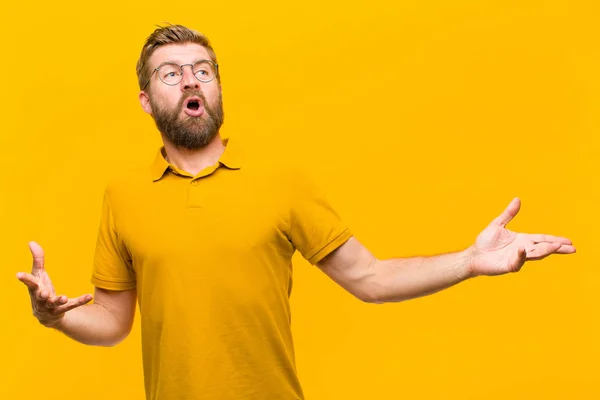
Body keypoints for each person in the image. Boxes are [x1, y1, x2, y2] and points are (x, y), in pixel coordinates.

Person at [16, 24, 576, 400]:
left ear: (216, 87)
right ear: (145, 100)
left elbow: (371, 279)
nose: (191, 79)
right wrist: (56, 316)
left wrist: (471, 261)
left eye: (203, 70)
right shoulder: (123, 195)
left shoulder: (281, 183)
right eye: (171, 73)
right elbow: (113, 324)